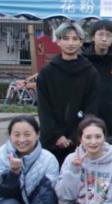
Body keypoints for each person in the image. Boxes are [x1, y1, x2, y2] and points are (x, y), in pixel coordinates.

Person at [36, 22, 100, 163]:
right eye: (65, 38)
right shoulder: (47, 72)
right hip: (51, 141)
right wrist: (56, 135)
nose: (70, 43)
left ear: (81, 42)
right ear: (58, 41)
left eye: (75, 39)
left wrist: (75, 136)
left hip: (80, 140)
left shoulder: (90, 72)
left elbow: (91, 107)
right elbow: (44, 108)